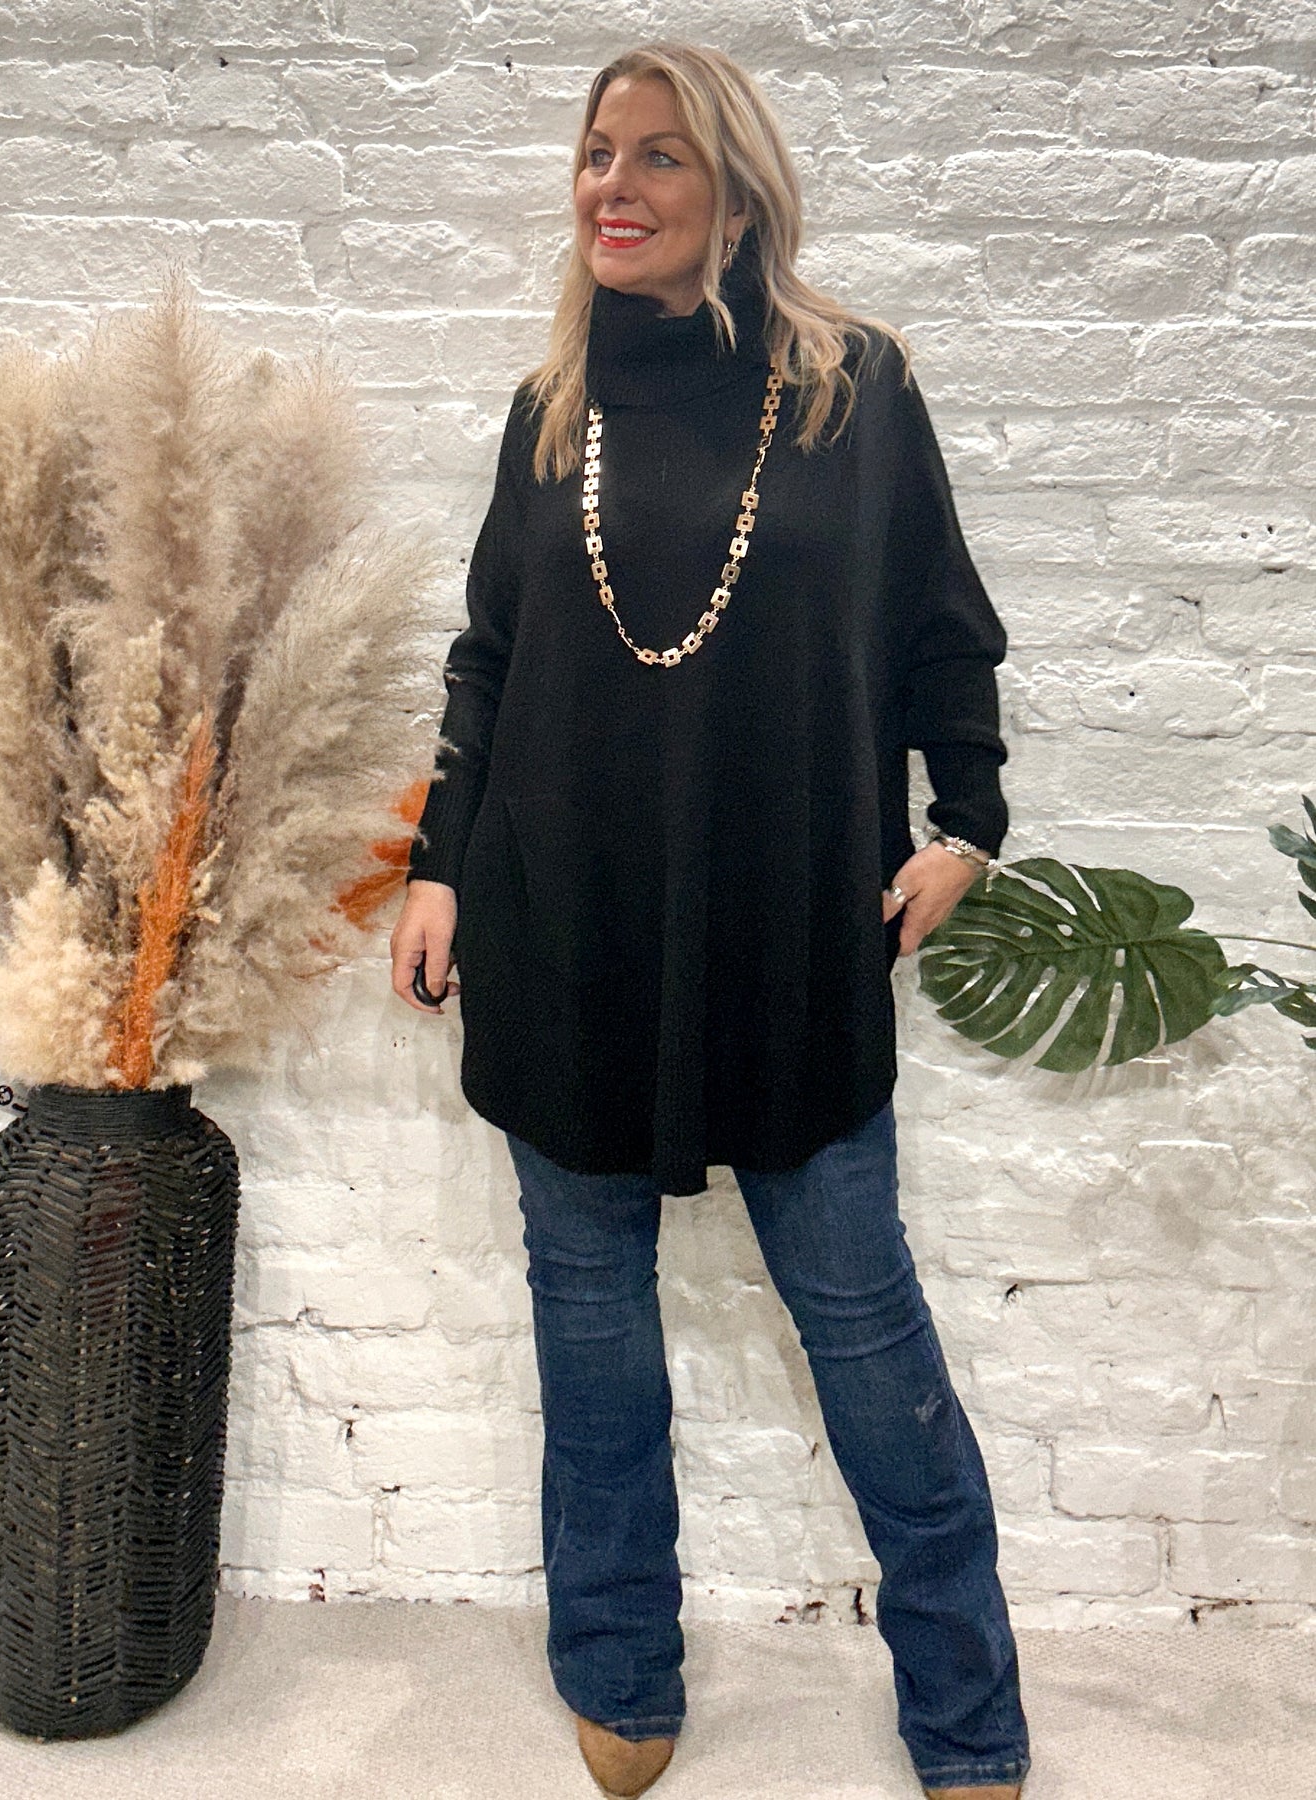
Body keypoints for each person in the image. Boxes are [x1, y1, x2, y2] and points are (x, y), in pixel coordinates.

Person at [390, 40, 1031, 1800]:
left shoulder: (850, 391)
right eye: (597, 152)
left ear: (735, 194)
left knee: (866, 1335)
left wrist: (967, 823)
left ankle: (966, 1714)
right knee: (589, 1334)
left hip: (788, 934)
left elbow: (943, 627)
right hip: (563, 929)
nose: (614, 184)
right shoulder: (550, 411)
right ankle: (617, 1666)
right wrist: (440, 861)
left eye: (658, 154)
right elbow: (488, 658)